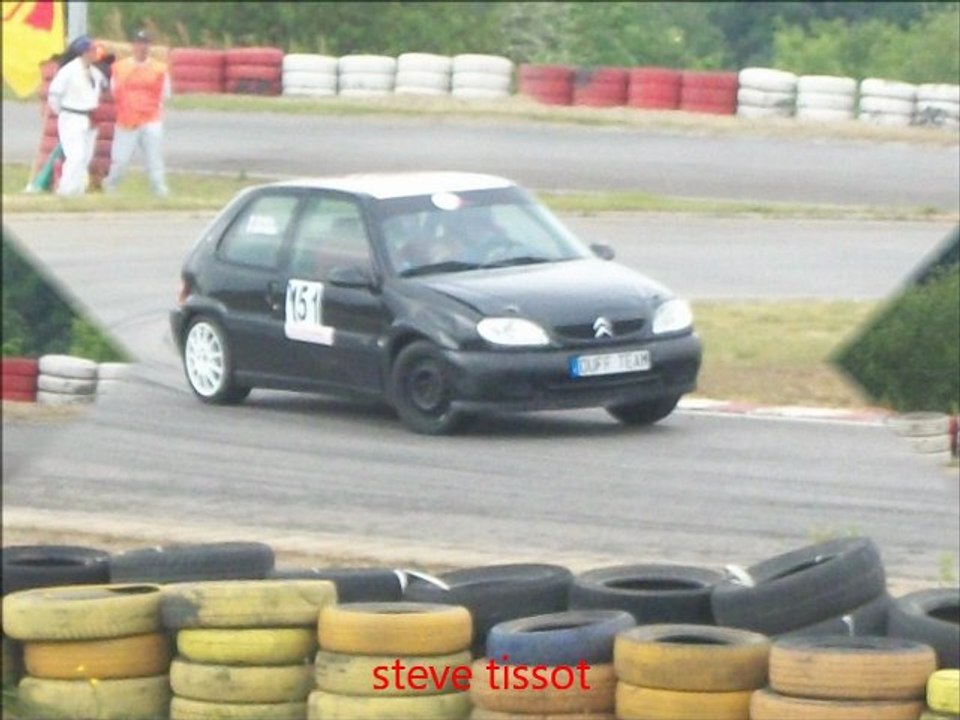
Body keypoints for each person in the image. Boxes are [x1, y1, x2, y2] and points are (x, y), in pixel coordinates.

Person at [103, 30, 171, 196]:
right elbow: (113, 90)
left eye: (146, 43)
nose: (143, 47)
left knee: (154, 159)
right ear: (134, 45)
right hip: (127, 119)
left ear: (150, 46)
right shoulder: (121, 67)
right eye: (140, 43)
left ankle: (159, 190)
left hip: (150, 119)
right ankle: (111, 187)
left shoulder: (159, 69)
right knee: (121, 160)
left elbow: (165, 94)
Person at [46, 35, 107, 196]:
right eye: (92, 50)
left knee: (85, 156)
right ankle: (65, 190)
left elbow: (100, 91)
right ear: (84, 52)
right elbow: (54, 94)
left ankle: (78, 189)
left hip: (89, 118)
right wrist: (63, 112)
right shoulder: (68, 71)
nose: (95, 53)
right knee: (75, 155)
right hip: (72, 116)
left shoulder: (95, 73)